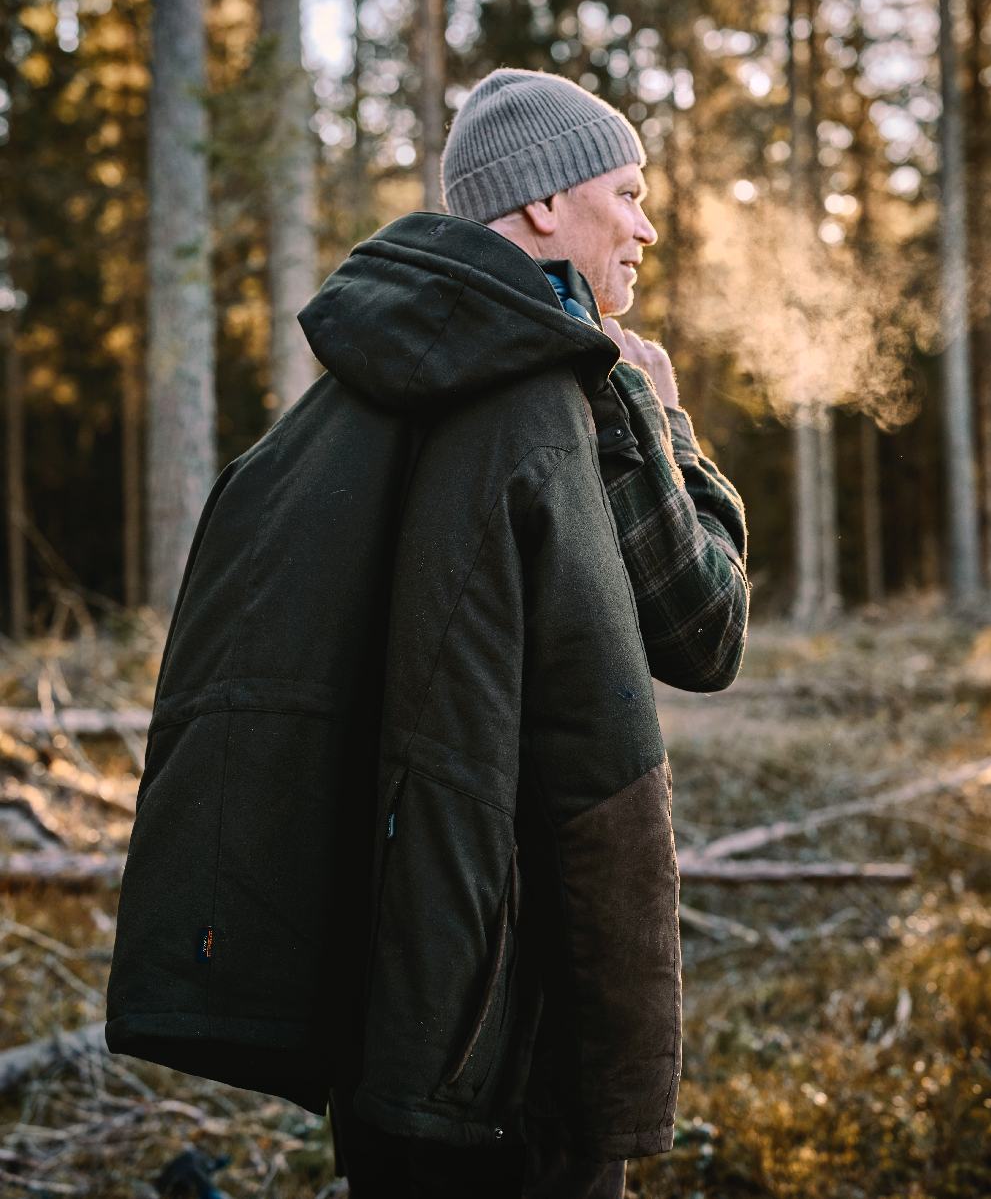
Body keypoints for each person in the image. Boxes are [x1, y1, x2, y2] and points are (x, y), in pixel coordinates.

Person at [104, 68, 749, 1199]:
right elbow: (705, 627)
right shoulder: (560, 395)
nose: (647, 225)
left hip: (384, 981)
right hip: (521, 986)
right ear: (546, 205)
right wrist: (662, 413)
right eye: (629, 192)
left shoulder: (337, 404)